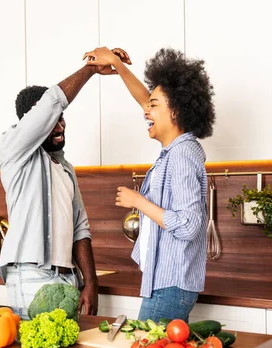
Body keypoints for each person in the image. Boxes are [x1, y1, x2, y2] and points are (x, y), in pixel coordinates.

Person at [83, 47, 215, 322]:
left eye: (154, 106)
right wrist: (119, 66)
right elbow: (148, 102)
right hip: (166, 282)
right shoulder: (176, 150)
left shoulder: (181, 156)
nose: (146, 111)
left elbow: (189, 224)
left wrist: (138, 202)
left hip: (169, 285)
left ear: (176, 112)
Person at [0, 62, 126, 319]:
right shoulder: (13, 150)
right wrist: (91, 69)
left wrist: (91, 282)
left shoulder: (65, 169)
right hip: (30, 273)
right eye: (51, 121)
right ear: (35, 123)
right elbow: (52, 103)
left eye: (61, 120)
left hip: (68, 277)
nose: (59, 126)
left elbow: (81, 228)